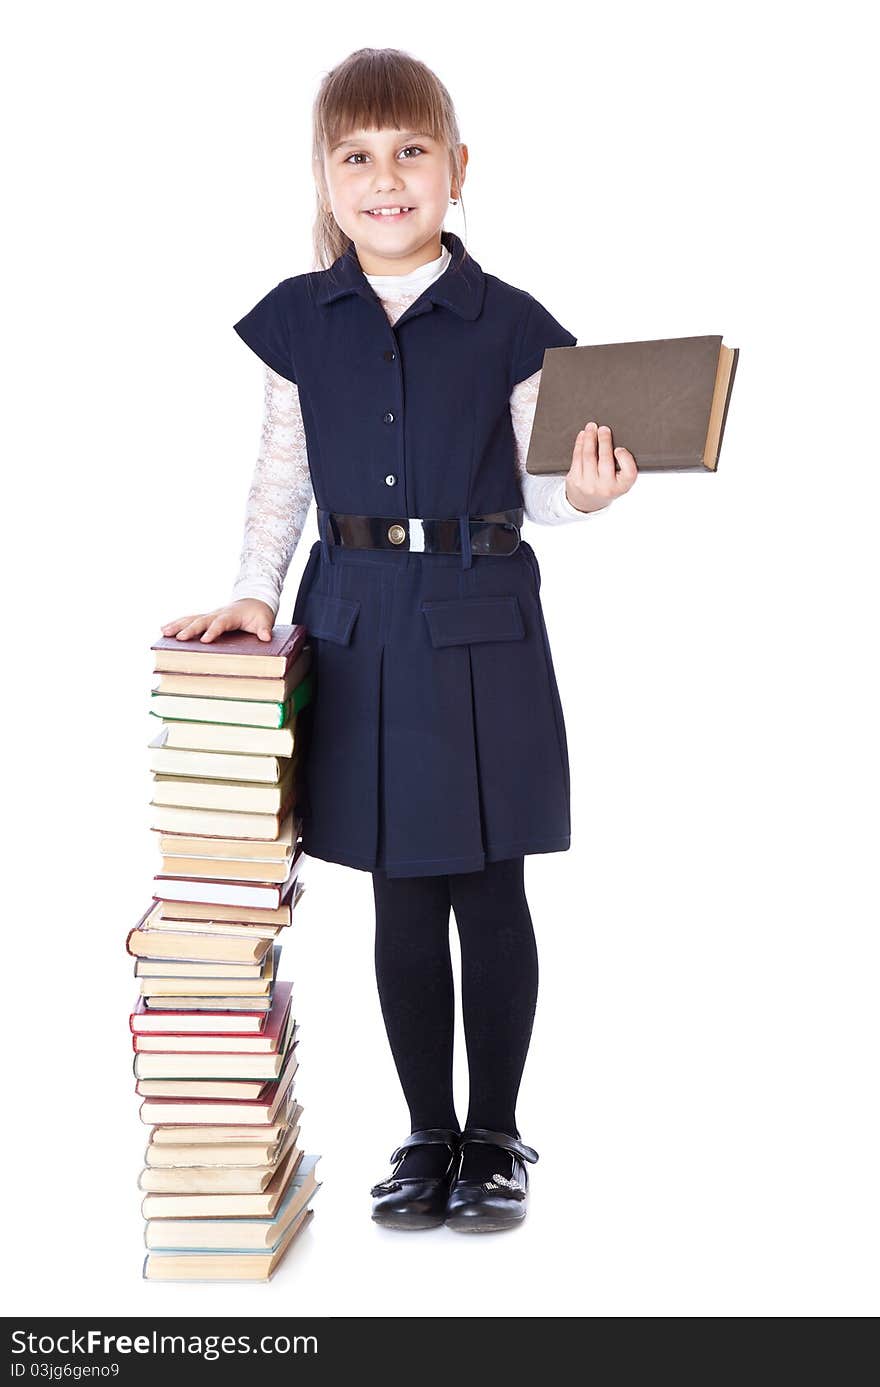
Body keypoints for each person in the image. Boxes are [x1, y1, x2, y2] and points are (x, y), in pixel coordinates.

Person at [161, 47, 638, 1234]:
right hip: (359, 619)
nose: (386, 180)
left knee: (488, 883)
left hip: (480, 620)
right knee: (398, 891)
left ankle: (498, 1136)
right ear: (326, 180)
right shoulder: (299, 321)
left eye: (411, 153)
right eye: (358, 158)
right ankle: (427, 1134)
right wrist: (253, 595)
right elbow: (281, 474)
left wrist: (582, 496)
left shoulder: (513, 323)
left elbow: (536, 490)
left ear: (456, 168)